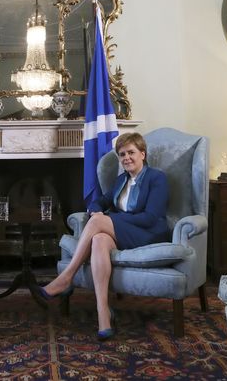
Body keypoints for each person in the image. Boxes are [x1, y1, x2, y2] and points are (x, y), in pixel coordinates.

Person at [39, 132, 169, 340]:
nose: (126, 158)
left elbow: (151, 218)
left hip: (148, 233)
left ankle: (66, 276)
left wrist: (109, 220)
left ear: (143, 154)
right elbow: (99, 202)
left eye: (131, 153)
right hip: (124, 231)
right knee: (99, 238)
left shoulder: (157, 178)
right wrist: (96, 210)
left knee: (99, 222)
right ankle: (103, 314)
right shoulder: (121, 180)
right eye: (121, 154)